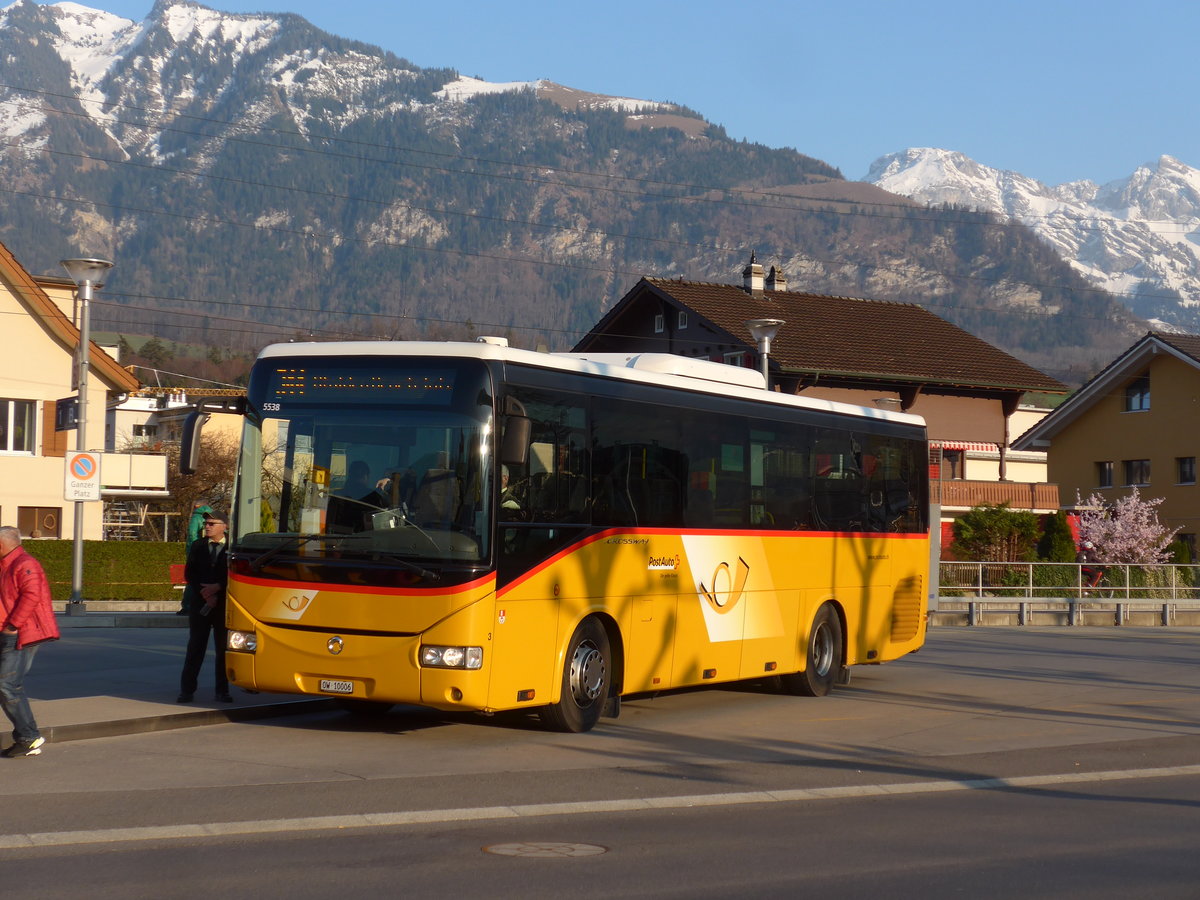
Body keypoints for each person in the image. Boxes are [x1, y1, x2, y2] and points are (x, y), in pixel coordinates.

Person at [0, 525, 60, 758]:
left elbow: (32, 595)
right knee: (7, 686)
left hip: (20, 634)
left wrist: (13, 625)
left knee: (7, 685)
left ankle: (29, 737)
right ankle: (26, 736)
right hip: (10, 632)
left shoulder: (25, 564)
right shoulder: (8, 564)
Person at [178, 510, 232, 703]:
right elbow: (190, 573)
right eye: (206, 523)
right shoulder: (197, 546)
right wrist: (205, 593)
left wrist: (218, 587)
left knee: (222, 650)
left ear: (224, 526)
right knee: (195, 648)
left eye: (211, 523)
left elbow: (235, 575)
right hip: (201, 604)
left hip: (223, 605)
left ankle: (222, 691)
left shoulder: (233, 548)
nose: (207, 526)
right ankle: (186, 690)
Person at [180, 502, 213, 614]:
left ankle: (187, 605)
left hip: (195, 550)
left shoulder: (196, 517)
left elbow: (191, 533)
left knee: (193, 579)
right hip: (207, 550)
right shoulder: (211, 516)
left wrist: (194, 547)